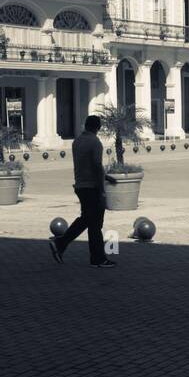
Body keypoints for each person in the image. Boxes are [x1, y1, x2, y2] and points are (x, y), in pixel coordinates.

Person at [49, 114, 114, 268]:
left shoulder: (76, 142)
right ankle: (61, 243)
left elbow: (85, 164)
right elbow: (97, 166)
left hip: (80, 185)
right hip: (92, 187)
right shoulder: (95, 142)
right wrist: (102, 191)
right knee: (92, 221)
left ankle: (96, 258)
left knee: (92, 222)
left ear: (85, 126)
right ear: (98, 127)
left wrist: (106, 177)